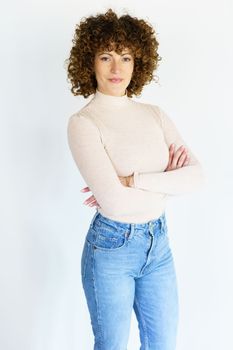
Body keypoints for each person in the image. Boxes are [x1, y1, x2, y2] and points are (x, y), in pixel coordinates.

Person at [65, 8, 206, 350]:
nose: (117, 68)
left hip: (158, 244)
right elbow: (113, 202)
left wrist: (133, 180)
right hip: (112, 247)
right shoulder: (84, 122)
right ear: (90, 62)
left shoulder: (154, 115)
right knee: (112, 345)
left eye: (126, 57)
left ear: (138, 62)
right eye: (106, 56)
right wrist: (166, 180)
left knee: (163, 345)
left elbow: (197, 177)